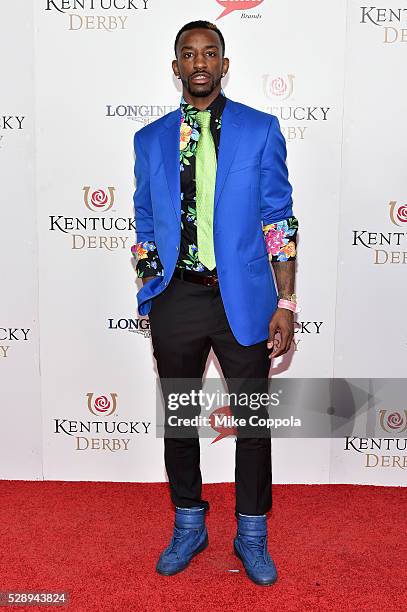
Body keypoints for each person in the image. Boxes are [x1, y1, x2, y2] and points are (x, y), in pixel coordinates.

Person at [131, 20, 298, 586]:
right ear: (175, 67)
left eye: (209, 52)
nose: (199, 61)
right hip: (176, 297)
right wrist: (151, 288)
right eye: (187, 53)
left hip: (244, 299)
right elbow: (146, 223)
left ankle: (251, 532)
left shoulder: (260, 130)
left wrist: (287, 300)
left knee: (252, 423)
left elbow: (279, 218)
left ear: (224, 64)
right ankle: (188, 524)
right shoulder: (149, 139)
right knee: (179, 420)